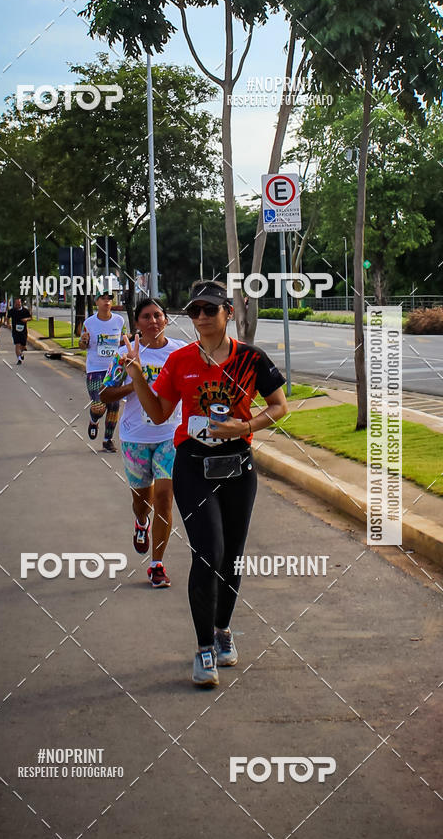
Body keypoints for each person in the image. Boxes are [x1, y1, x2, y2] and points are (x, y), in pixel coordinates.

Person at [123, 280, 288, 687]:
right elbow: (160, 414)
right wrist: (136, 373)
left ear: (228, 313)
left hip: (237, 467)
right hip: (193, 466)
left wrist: (244, 426)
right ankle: (203, 650)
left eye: (209, 310)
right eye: (194, 310)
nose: (200, 317)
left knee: (232, 555)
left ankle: (222, 630)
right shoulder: (180, 361)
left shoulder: (251, 359)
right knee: (208, 553)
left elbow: (280, 405)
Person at [100, 298, 185, 588]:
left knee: (164, 497)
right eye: (146, 317)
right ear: (137, 323)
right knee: (142, 502)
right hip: (135, 437)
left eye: (158, 315)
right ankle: (141, 522)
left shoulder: (179, 352)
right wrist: (135, 380)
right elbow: (105, 395)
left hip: (169, 435)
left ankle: (156, 564)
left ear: (166, 319)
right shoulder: (124, 354)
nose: (153, 321)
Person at [79, 290, 126, 453]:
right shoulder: (89, 323)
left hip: (114, 370)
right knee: (99, 406)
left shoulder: (119, 321)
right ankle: (94, 419)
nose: (106, 301)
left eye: (109, 299)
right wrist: (83, 342)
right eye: (103, 299)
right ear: (96, 302)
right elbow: (82, 344)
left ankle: (107, 440)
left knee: (113, 406)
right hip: (95, 369)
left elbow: (123, 342)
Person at [6, 297, 31, 365]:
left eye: (18, 303)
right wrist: (8, 324)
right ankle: (19, 359)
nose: (17, 305)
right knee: (17, 344)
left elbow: (30, 318)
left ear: (21, 303)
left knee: (23, 345)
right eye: (16, 304)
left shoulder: (25, 310)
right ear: (14, 304)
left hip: (23, 330)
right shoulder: (12, 310)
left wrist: (26, 319)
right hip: (15, 330)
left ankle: (21, 353)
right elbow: (8, 317)